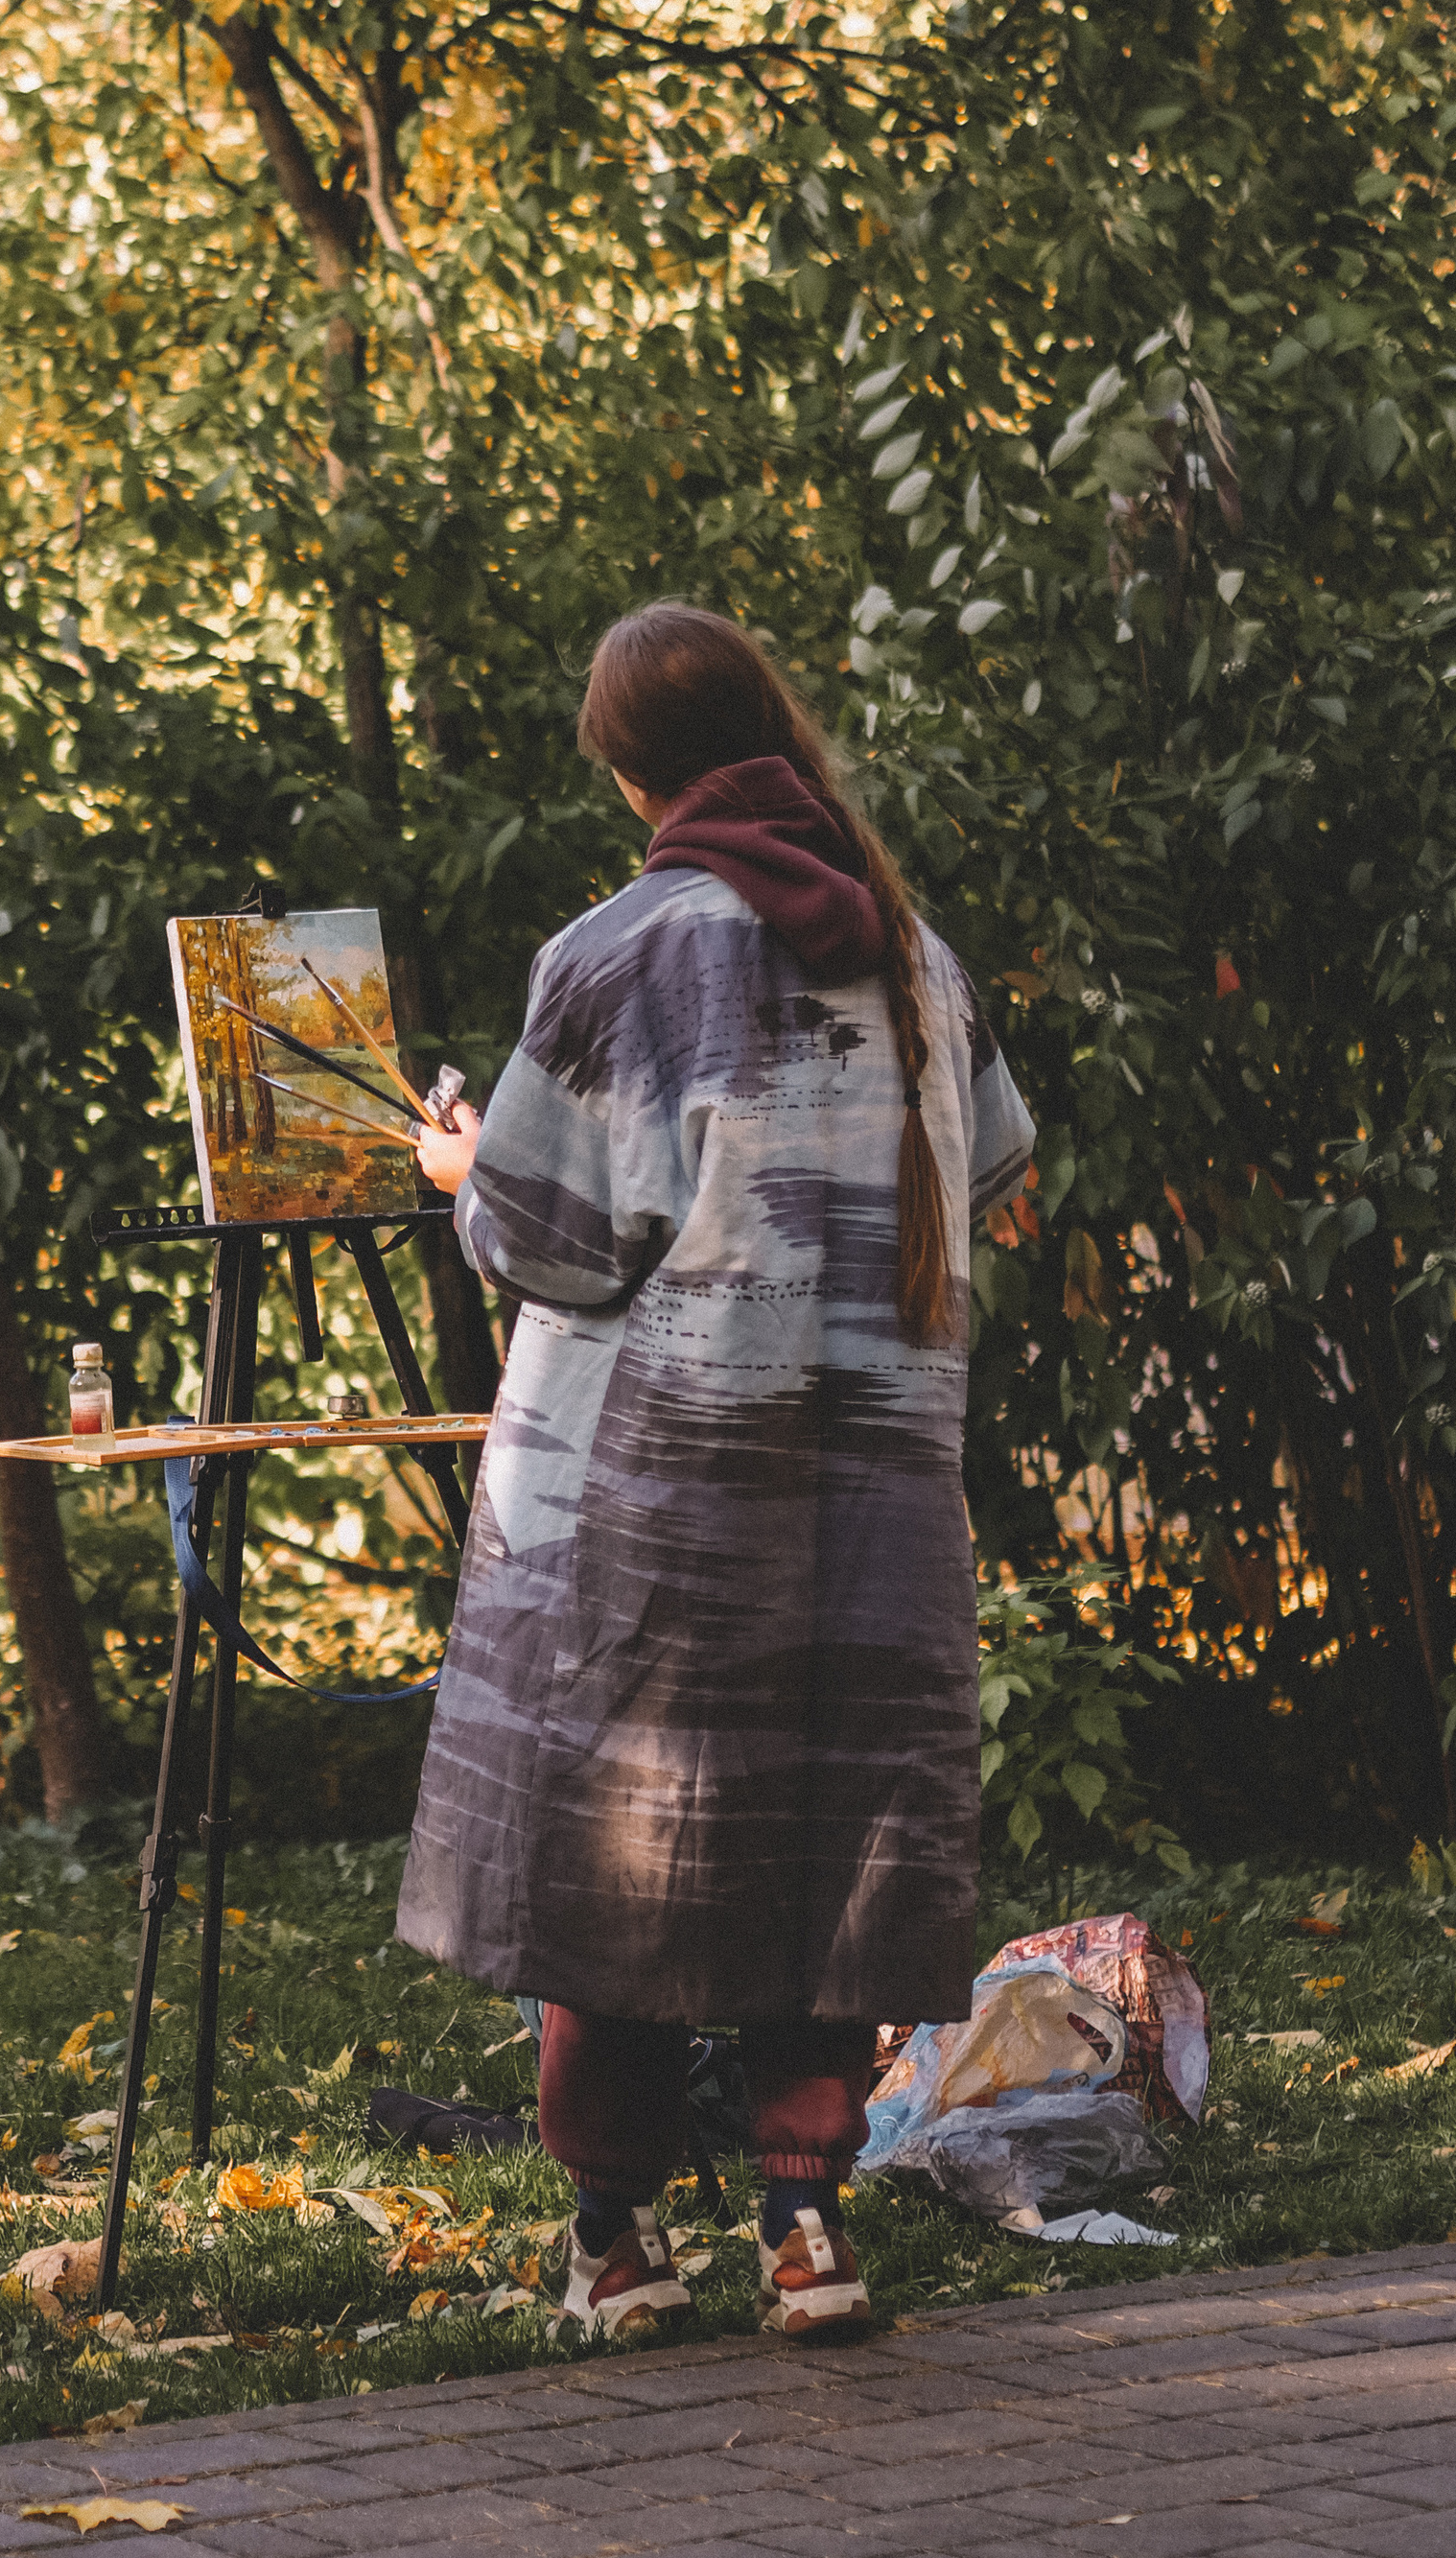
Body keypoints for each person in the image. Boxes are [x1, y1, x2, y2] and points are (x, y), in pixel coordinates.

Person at [403, 602, 1035, 2341]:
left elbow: (547, 1243)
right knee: (827, 1835)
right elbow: (980, 1168)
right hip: (873, 1492)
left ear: (628, 769)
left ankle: (615, 2243)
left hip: (660, 1503)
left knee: (625, 1850)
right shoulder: (915, 950)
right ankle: (807, 2232)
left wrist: (464, 1160)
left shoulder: (614, 954)